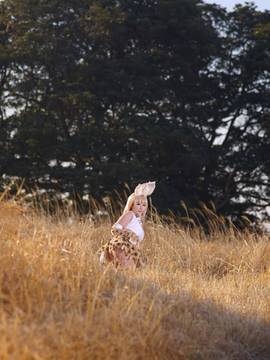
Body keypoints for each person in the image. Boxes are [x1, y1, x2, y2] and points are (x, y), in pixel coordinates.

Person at [97, 181, 156, 269]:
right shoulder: (130, 214)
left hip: (131, 250)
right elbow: (114, 229)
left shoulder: (139, 221)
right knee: (125, 271)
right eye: (138, 204)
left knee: (137, 271)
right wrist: (129, 233)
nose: (141, 207)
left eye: (144, 205)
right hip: (121, 247)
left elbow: (136, 241)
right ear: (131, 205)